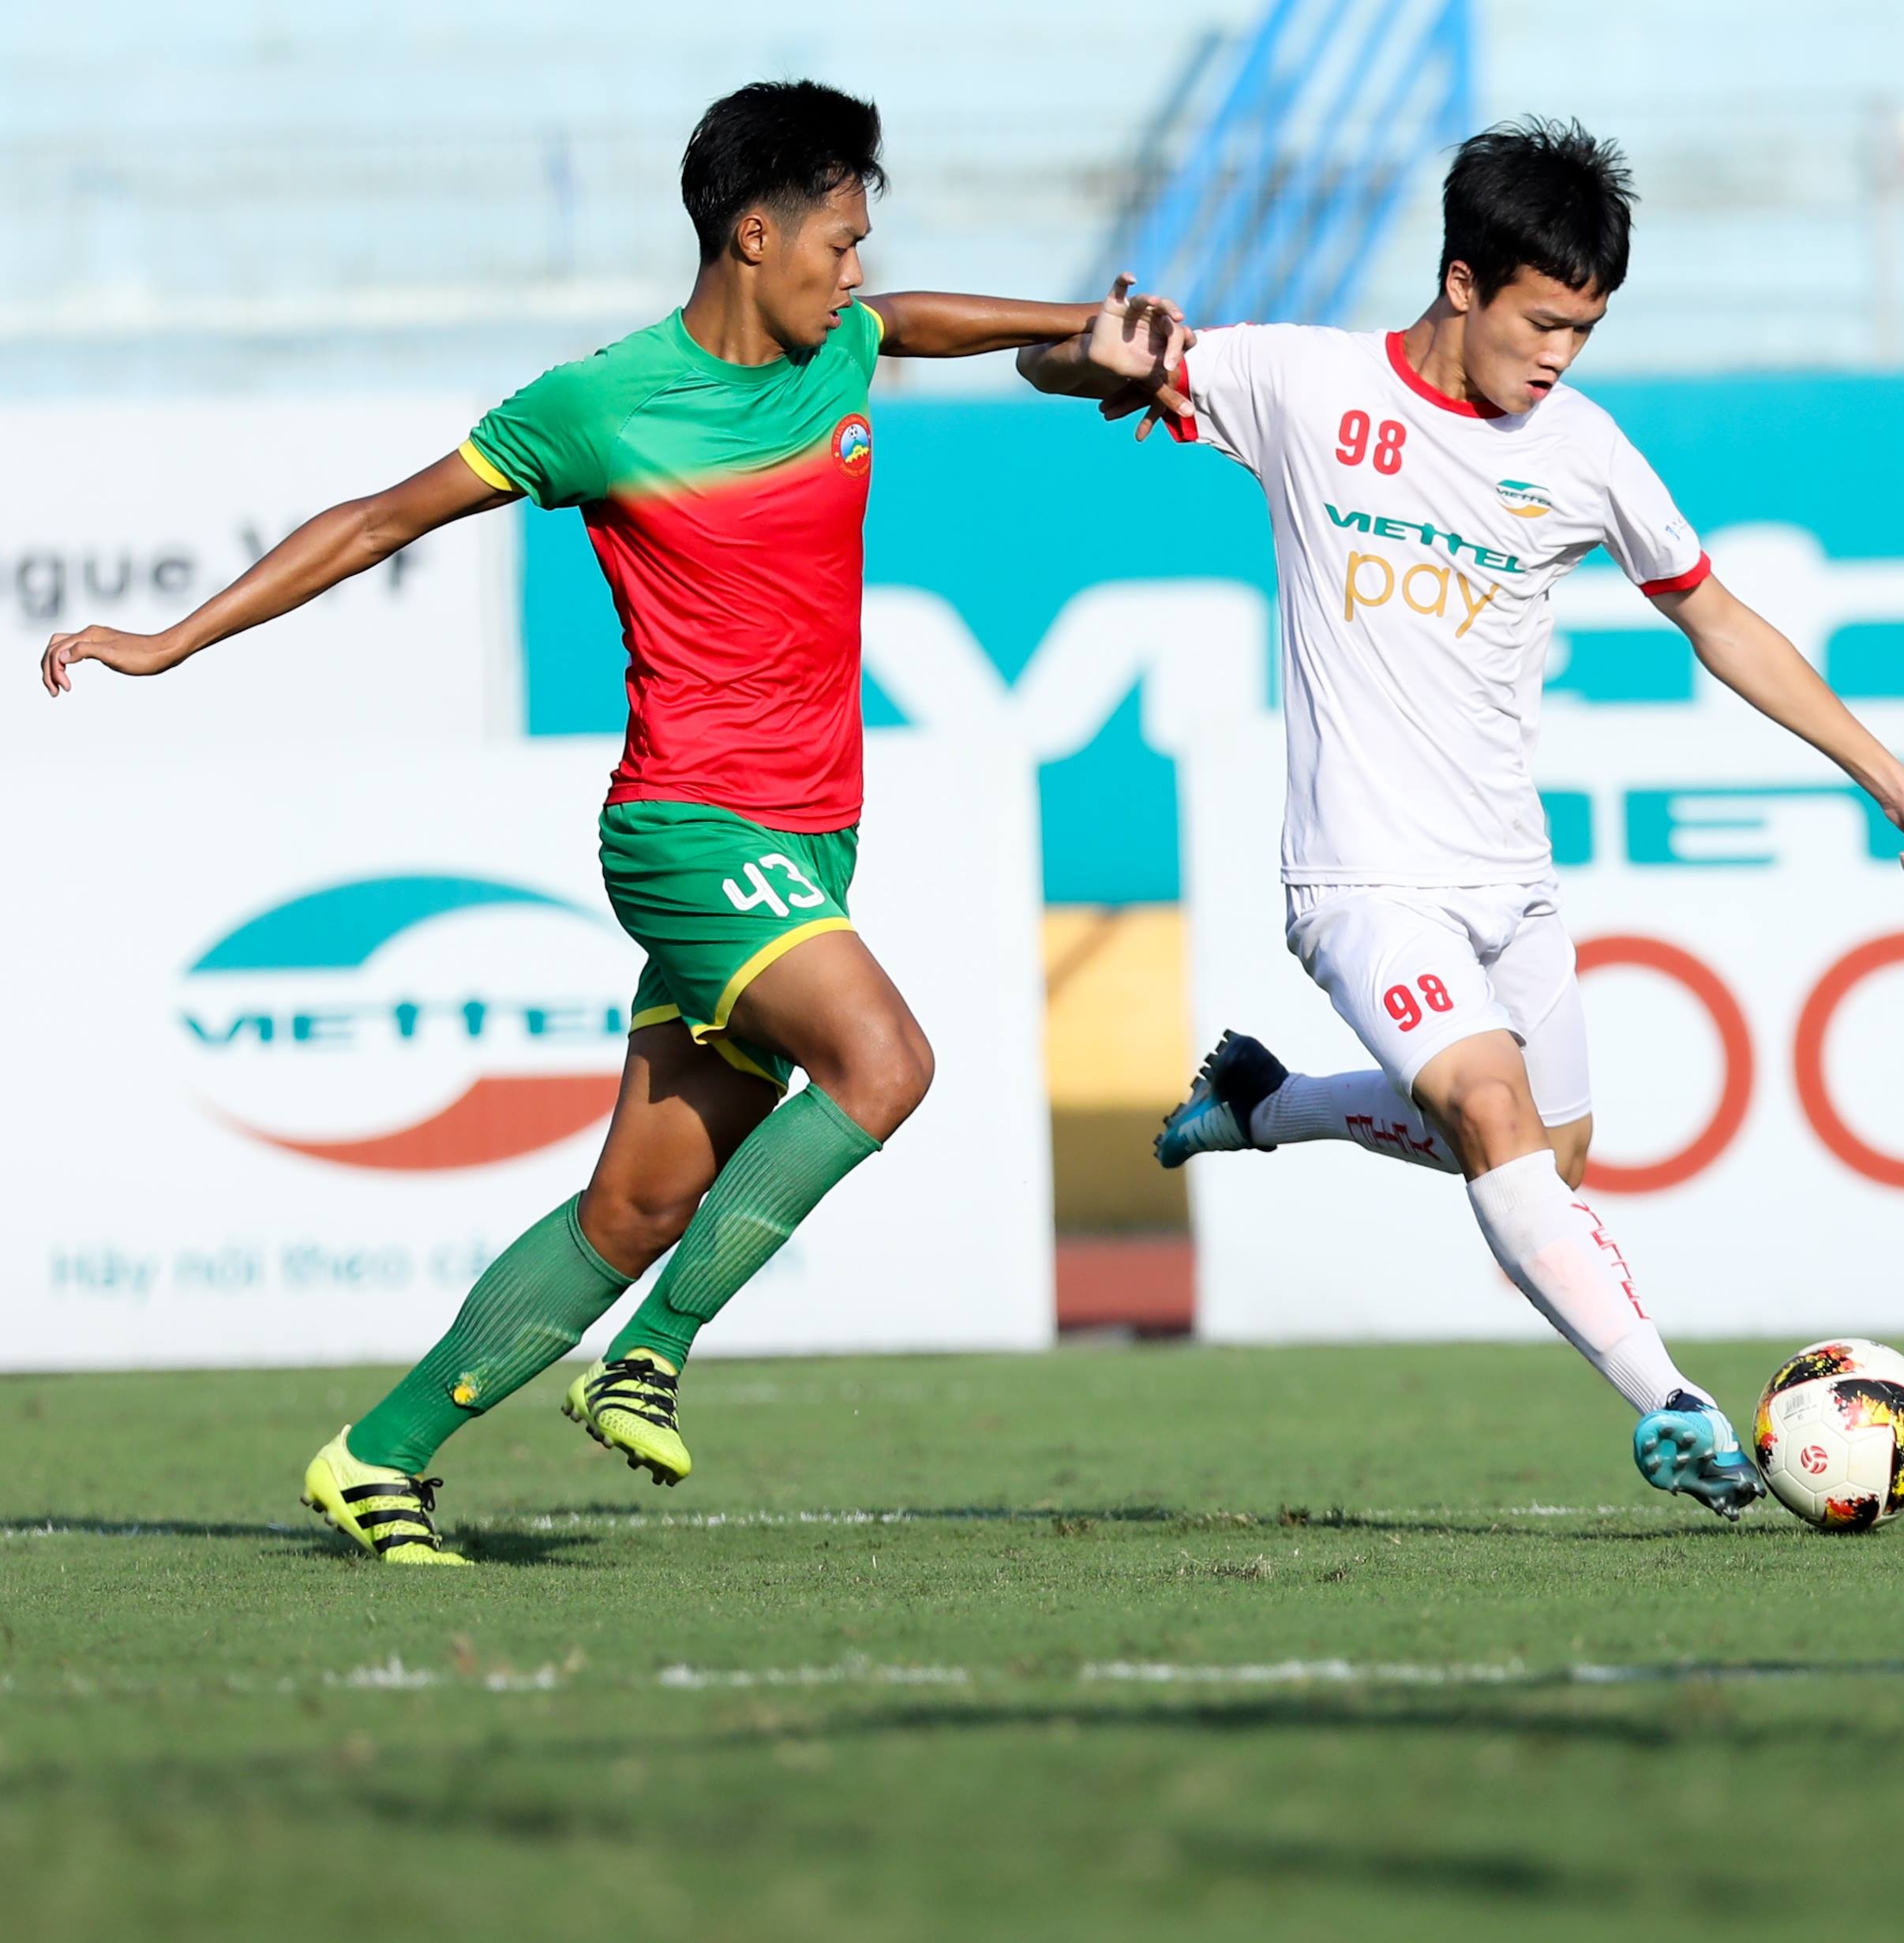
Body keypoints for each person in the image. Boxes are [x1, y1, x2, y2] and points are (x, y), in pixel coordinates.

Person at [38, 80, 1183, 1564]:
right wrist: (170, 643)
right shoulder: (600, 405)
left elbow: (917, 321)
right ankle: (653, 1356)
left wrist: (1081, 338)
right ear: (751, 235)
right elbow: (380, 518)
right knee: (884, 1061)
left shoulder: (841, 339)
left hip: (808, 838)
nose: (854, 265)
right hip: (690, 827)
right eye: (836, 238)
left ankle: (376, 1452)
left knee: (637, 1203)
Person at [1018, 118, 1904, 1518]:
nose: (1558, 356)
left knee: (1553, 1155)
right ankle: (1679, 1406)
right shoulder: (1301, 382)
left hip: (1507, 873)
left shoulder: (1582, 450)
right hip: (1360, 874)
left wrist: (1897, 783)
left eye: (1585, 332)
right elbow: (1067, 367)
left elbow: (1713, 617)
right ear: (1462, 281)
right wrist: (1082, 355)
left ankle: (1267, 1103)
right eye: (1542, 320)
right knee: (1489, 1109)